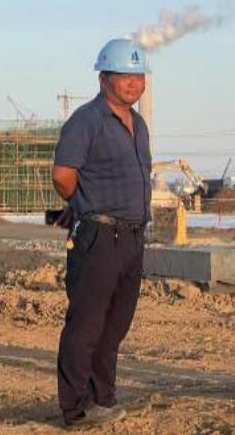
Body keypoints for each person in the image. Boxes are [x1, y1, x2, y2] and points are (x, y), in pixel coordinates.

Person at [52, 38, 152, 428]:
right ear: (103, 78)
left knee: (115, 326)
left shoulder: (138, 125)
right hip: (99, 236)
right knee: (87, 323)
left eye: (138, 76)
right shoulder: (86, 121)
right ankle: (75, 407)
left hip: (132, 237)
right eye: (124, 75)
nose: (133, 83)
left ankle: (102, 398)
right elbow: (63, 176)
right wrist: (85, 205)